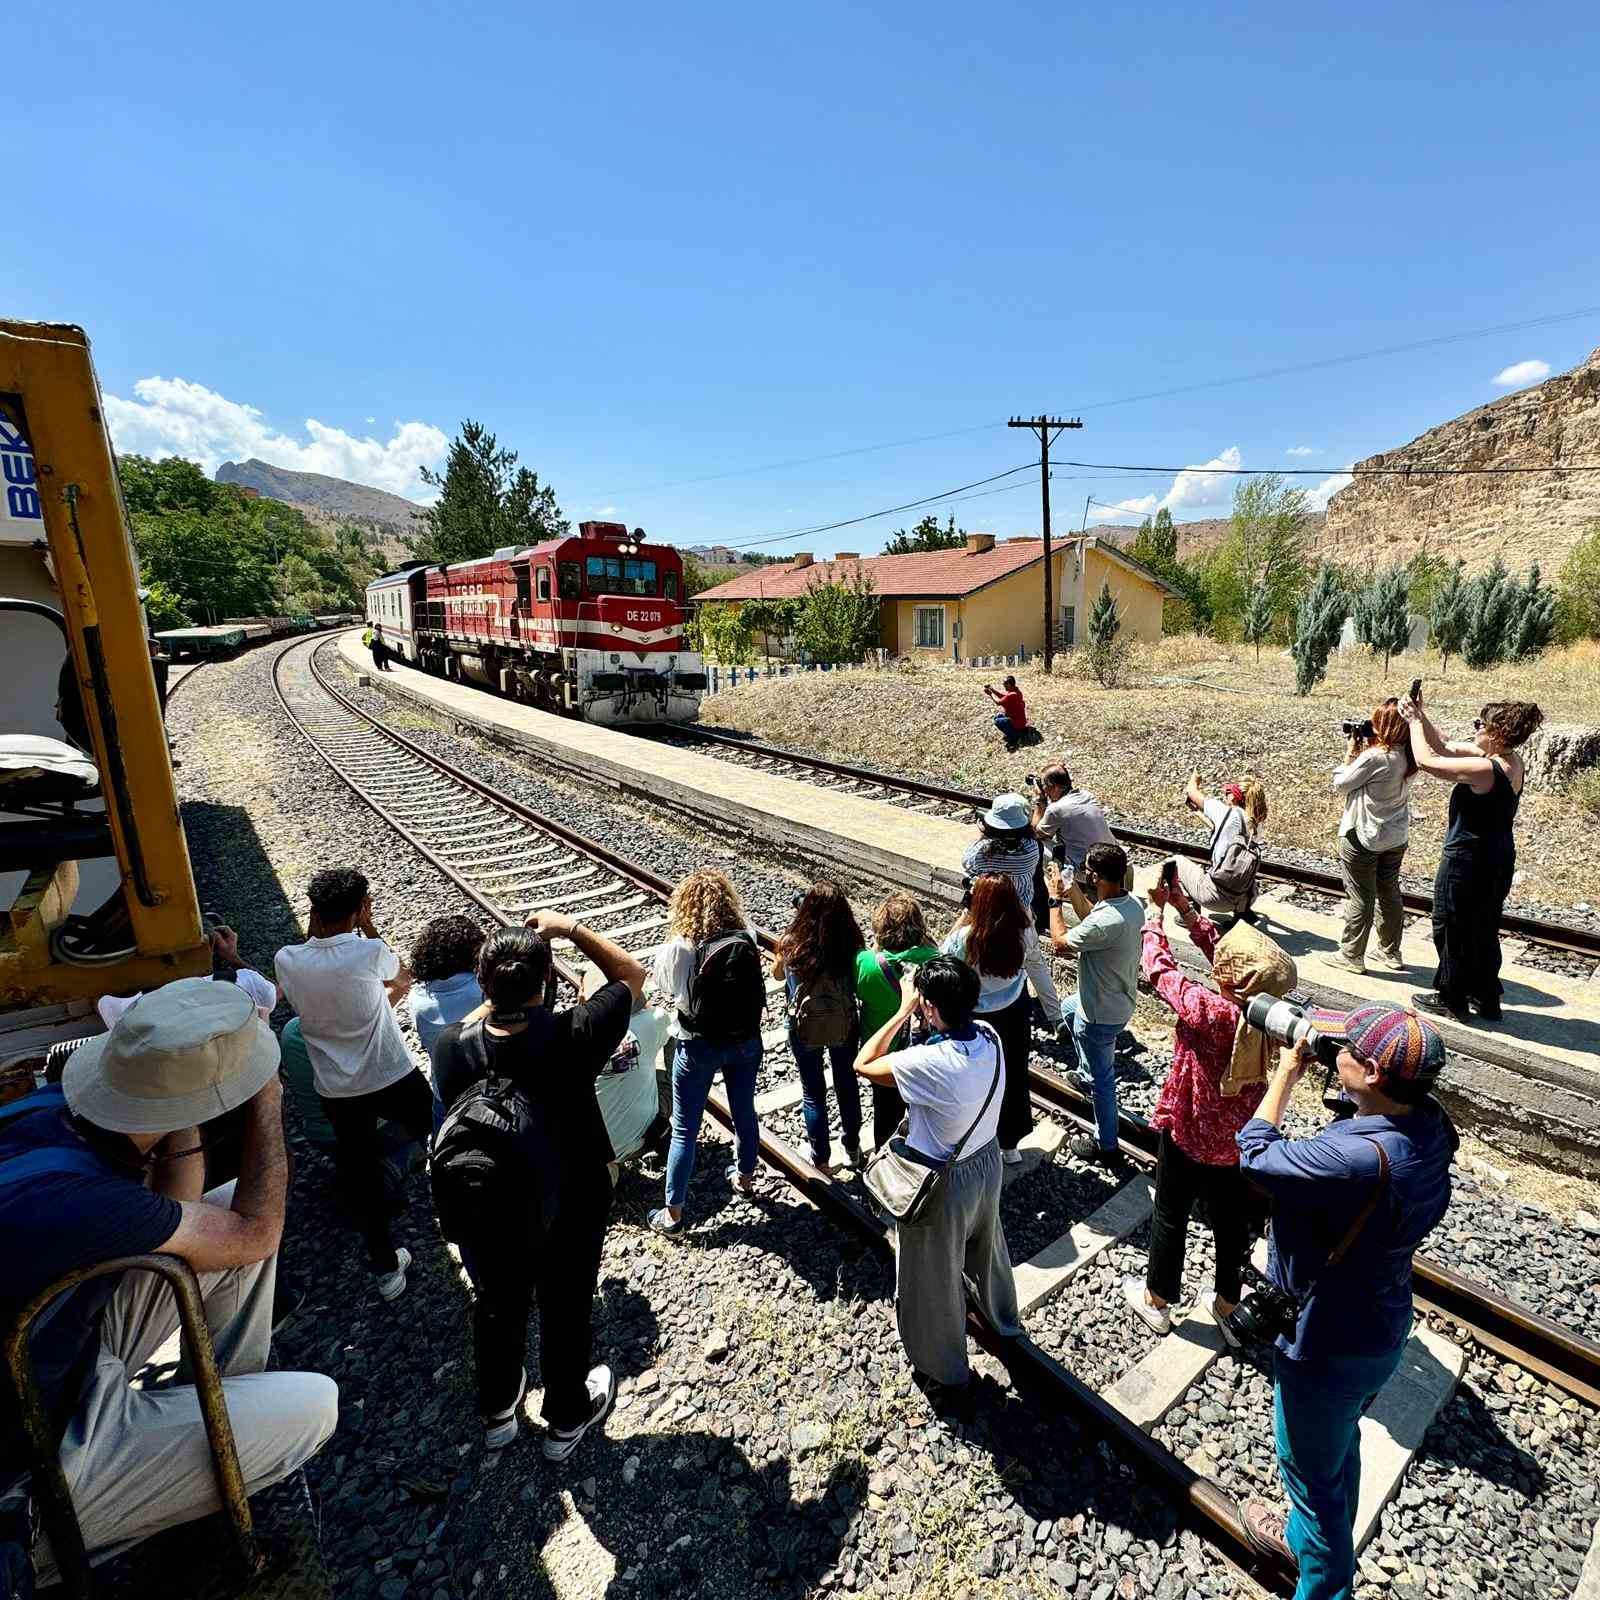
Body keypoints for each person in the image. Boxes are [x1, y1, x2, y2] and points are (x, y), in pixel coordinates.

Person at [0, 979, 338, 1587]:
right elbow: (258, 1234)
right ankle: (217, 1458)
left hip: (51, 1357)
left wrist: (177, 1111)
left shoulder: (43, 1112)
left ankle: (219, 1408)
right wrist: (264, 1101)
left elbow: (185, 1208)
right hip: (24, 1470)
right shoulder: (90, 1203)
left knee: (226, 1209)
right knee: (315, 1406)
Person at [1236, 1005, 1455, 1600]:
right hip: (1380, 1324)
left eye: (1349, 1051)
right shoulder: (1431, 1128)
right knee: (1337, 1453)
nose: (1337, 1054)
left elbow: (1254, 1153)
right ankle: (1309, 1540)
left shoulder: (1356, 1159)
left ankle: (1325, 1581)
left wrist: (1285, 1071)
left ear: (1377, 1073)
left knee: (1308, 1477)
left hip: (1325, 1343)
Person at [430, 918, 645, 1454]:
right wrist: (569, 930)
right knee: (566, 1304)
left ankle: (500, 1410)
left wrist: (498, 991)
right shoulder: (574, 1033)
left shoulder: (452, 1046)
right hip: (569, 1201)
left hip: (488, 1199)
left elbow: (482, 1029)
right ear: (546, 982)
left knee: (498, 1301)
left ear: (483, 984)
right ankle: (566, 1419)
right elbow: (631, 975)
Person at [1124, 872, 1297, 1337]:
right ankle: (1226, 1304)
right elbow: (1225, 956)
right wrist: (1185, 908)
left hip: (1188, 1131)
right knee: (1231, 1222)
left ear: (1231, 980)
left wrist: (1155, 915)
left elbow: (1159, 968)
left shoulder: (1209, 1010)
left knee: (1170, 1213)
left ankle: (1157, 1300)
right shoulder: (1270, 1015)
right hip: (1239, 1142)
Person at [852, 957, 1021, 1410]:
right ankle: (1003, 1320)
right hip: (986, 1164)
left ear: (930, 1007)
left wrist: (902, 1009)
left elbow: (863, 1064)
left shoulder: (928, 1062)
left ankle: (945, 1371)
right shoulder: (990, 1037)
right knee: (988, 1246)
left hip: (943, 1183)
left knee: (931, 1275)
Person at [274, 868, 432, 1301]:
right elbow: (402, 976)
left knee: (360, 1178)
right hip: (388, 1071)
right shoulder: (368, 952)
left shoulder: (286, 959)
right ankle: (439, 1187)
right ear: (361, 908)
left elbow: (310, 956)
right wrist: (369, 926)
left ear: (314, 910)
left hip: (338, 1092)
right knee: (431, 1120)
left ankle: (386, 1272)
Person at [1401, 697, 1543, 1024]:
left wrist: (1411, 723)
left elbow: (1427, 760)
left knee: (1450, 925)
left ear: (1496, 733)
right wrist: (1420, 715)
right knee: (1483, 927)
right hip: (1497, 858)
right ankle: (1486, 996)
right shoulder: (1509, 761)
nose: (1474, 728)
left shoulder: (1484, 769)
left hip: (1467, 859)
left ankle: (1452, 998)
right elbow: (1446, 745)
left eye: (1479, 725)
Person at [647, 870, 767, 1234]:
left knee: (685, 1128)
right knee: (744, 1111)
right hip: (745, 1040)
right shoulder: (746, 933)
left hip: (698, 1044)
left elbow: (666, 988)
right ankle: (745, 1180)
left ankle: (673, 1214)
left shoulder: (681, 947)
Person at [1043, 844, 1142, 1166]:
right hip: (1115, 1000)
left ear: (1096, 876)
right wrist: (1072, 892)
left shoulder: (1105, 922)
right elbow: (1091, 919)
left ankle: (1106, 1146)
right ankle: (1085, 1074)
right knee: (1068, 1010)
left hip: (1100, 1013)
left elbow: (1060, 944)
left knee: (1104, 1084)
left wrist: (1054, 900)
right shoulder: (1130, 906)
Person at [771, 882, 865, 1172]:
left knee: (813, 1091)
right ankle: (851, 1147)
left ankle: (820, 1158)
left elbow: (776, 976)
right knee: (846, 1084)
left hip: (804, 1026)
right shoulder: (852, 942)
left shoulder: (792, 941)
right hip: (843, 1024)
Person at [941, 875, 1034, 1164]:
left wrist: (964, 915)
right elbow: (1030, 957)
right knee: (1015, 1073)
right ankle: (1010, 1146)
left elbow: (946, 960)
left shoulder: (965, 937)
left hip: (977, 1016)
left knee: (977, 1078)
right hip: (1015, 1009)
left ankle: (975, 1140)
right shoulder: (1024, 930)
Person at [962, 794, 1064, 1033]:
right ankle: (1056, 1017)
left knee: (978, 962)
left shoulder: (982, 855)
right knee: (1035, 963)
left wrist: (983, 834)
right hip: (1022, 918)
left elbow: (967, 863)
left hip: (986, 919)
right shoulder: (1031, 850)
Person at [1330, 700, 1416, 975]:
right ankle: (1390, 952)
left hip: (1364, 835)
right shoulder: (1411, 757)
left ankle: (1351, 955)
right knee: (1389, 892)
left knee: (1361, 896)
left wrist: (1350, 753)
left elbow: (1341, 784)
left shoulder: (1375, 757)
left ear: (1386, 727)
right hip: (1395, 836)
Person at [853, 893, 942, 1149]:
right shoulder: (938, 960)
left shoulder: (866, 964)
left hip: (885, 1055)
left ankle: (885, 1155)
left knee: (885, 1111)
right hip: (927, 1054)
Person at [580, 967, 672, 1179]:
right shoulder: (654, 1021)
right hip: (643, 1138)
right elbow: (657, 1016)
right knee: (672, 1042)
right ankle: (666, 1126)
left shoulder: (575, 1038)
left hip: (593, 1151)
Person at [1176, 773, 1268, 922]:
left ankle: (1190, 915)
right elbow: (1226, 835)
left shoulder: (1225, 812)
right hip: (1246, 898)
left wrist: (1194, 778)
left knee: (1176, 861)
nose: (1225, 796)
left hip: (1214, 898)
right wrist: (1198, 813)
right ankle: (1241, 915)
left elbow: (1191, 791)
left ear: (1234, 797)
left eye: (1228, 793)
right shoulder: (1256, 823)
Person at [1030, 764, 1115, 891]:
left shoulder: (1056, 809)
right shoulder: (1087, 795)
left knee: (1035, 844)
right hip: (1113, 862)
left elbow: (1034, 833)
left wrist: (1040, 800)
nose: (1044, 790)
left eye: (1044, 787)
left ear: (1053, 787)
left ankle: (1063, 887)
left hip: (1087, 871)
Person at [983, 675, 1028, 751]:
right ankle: (1014, 732)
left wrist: (990, 694)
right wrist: (992, 689)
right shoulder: (1016, 691)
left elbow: (998, 702)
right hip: (1019, 720)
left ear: (1009, 684)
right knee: (998, 717)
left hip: (1017, 723)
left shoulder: (1012, 695)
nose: (1004, 686)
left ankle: (1014, 737)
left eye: (1005, 685)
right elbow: (1003, 696)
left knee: (997, 721)